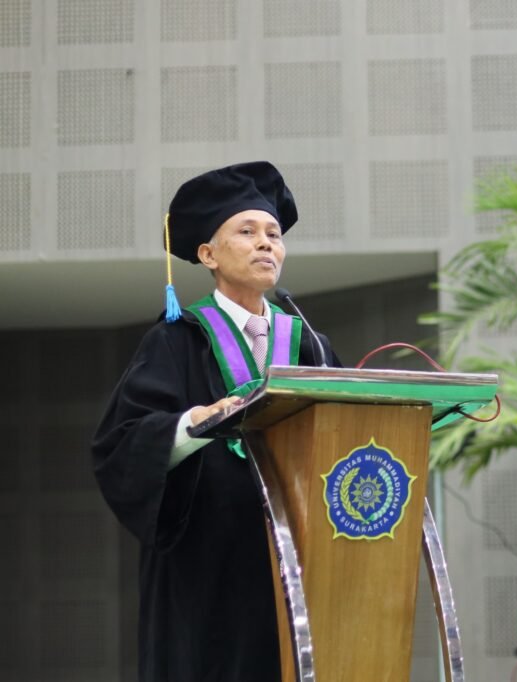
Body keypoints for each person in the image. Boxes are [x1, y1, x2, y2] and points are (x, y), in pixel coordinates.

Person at [92, 161, 342, 682]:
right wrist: (192, 424)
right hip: (207, 565)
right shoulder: (175, 341)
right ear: (208, 254)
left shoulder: (310, 345)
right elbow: (120, 444)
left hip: (299, 560)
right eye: (246, 232)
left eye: (273, 234)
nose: (265, 244)